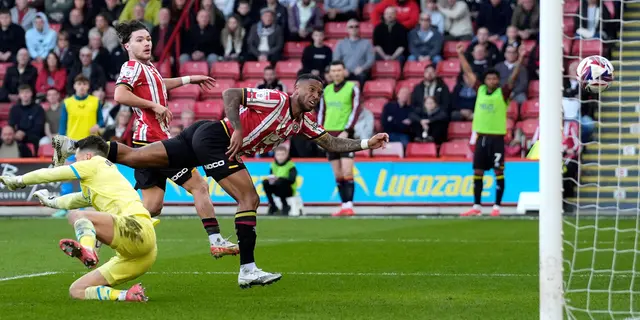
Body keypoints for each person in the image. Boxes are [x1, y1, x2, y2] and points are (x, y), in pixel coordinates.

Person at [52, 74, 390, 288]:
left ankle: (75, 146)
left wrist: (364, 144)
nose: (317, 95)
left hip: (200, 134)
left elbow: (330, 142)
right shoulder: (277, 99)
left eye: (320, 92)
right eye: (312, 89)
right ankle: (247, 269)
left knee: (134, 157)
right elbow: (231, 93)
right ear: (297, 89)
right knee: (250, 199)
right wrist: (239, 128)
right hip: (217, 136)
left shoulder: (301, 123)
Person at [110, 20, 238, 259]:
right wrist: (154, 106)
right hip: (154, 141)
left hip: (147, 141)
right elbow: (120, 94)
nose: (147, 43)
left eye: (148, 39)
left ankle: (103, 228)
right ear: (127, 45)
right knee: (199, 185)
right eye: (139, 40)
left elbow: (159, 84)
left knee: (153, 206)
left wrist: (190, 79)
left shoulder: (148, 68)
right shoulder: (132, 67)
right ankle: (216, 240)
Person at [0, 136, 155, 302]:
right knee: (77, 290)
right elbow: (72, 200)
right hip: (139, 257)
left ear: (87, 157)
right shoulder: (101, 181)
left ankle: (89, 250)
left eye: (77, 158)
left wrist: (18, 180)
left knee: (78, 215)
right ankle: (128, 295)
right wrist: (50, 201)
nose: (75, 162)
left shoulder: (94, 163)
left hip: (137, 227)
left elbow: (52, 174)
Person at [456, 42, 525, 217]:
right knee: (477, 171)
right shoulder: (479, 90)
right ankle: (477, 207)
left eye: (495, 79)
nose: (492, 81)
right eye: (489, 79)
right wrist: (460, 54)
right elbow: (468, 72)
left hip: (497, 138)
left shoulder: (502, 93)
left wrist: (521, 59)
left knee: (499, 171)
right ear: (486, 80)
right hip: (481, 138)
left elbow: (513, 78)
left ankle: (496, 207)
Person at [317, 61, 361, 216]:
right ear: (330, 73)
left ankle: (349, 205)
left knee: (347, 170)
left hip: (345, 134)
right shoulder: (326, 90)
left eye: (339, 70)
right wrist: (320, 133)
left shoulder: (352, 88)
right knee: (338, 174)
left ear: (344, 72)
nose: (336, 73)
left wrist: (347, 130)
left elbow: (356, 110)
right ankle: (344, 205)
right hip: (329, 135)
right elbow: (322, 112)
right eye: (333, 70)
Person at [262, 145, 298, 216]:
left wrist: (280, 179)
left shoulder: (291, 165)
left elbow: (292, 180)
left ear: (286, 155)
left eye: (282, 154)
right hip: (277, 188)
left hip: (288, 190)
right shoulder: (273, 165)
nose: (280, 157)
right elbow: (271, 177)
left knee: (281, 182)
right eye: (278, 154)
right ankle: (273, 205)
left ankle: (285, 205)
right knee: (265, 182)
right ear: (275, 155)